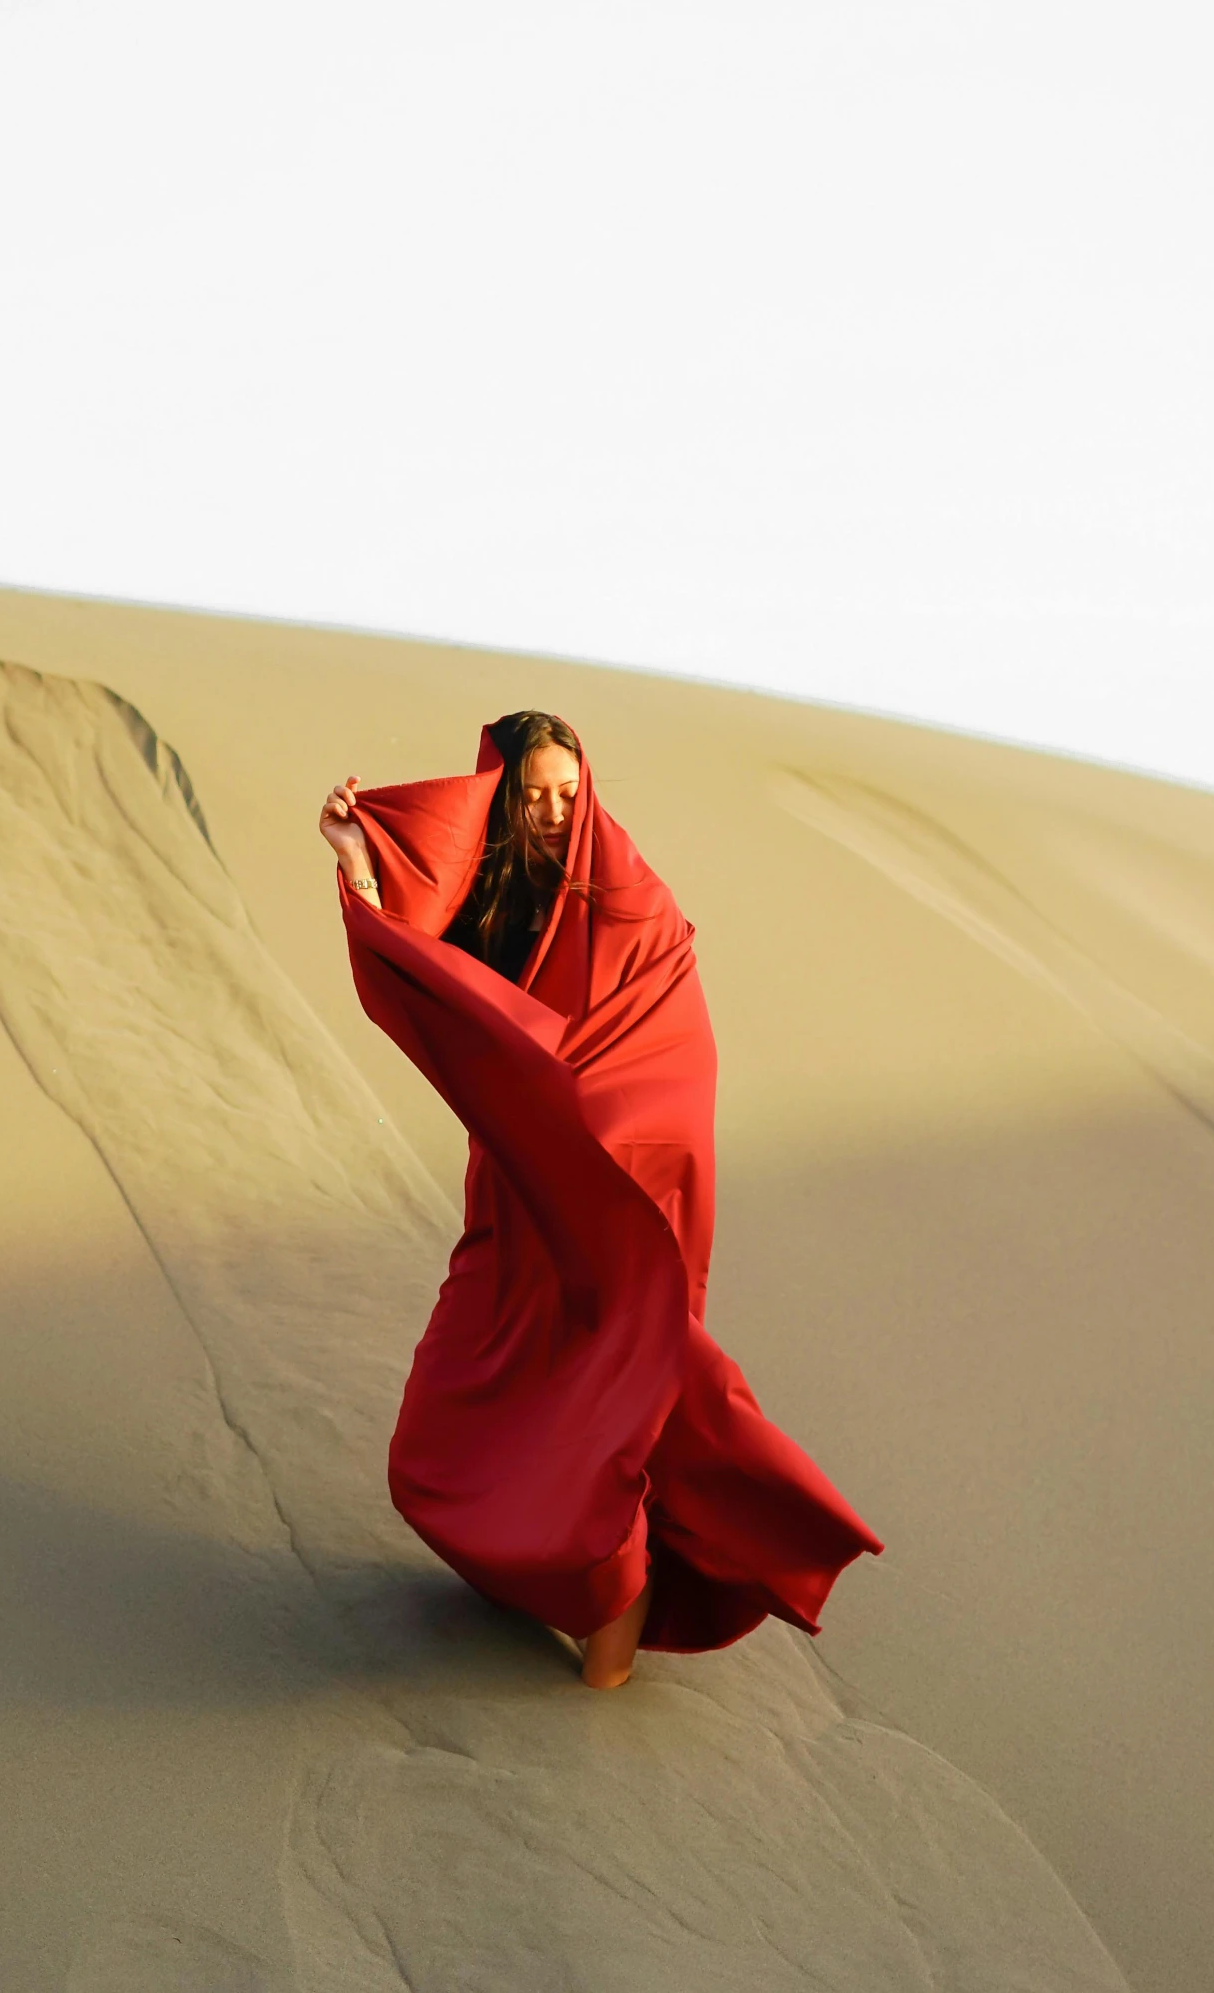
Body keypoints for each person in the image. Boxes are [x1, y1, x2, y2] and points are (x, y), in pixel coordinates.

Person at [319, 711, 882, 1689]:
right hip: (517, 1197)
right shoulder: (489, 894)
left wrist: (591, 1124)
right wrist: (357, 860)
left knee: (611, 1412)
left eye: (566, 794)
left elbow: (671, 1048)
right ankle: (537, 1580)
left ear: (590, 793)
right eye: (531, 793)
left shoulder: (631, 900)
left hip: (617, 1203)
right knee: (438, 1439)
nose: (548, 812)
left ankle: (609, 1663)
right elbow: (418, 967)